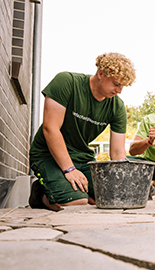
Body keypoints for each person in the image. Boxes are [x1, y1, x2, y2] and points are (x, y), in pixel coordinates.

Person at [29, 52, 136, 211]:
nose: (119, 90)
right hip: (47, 154)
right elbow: (50, 129)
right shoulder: (66, 82)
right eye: (116, 84)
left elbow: (117, 152)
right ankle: (40, 195)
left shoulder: (117, 107)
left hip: (81, 156)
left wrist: (123, 182)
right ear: (101, 74)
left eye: (123, 86)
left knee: (109, 198)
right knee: (76, 202)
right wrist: (69, 169)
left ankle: (65, 190)